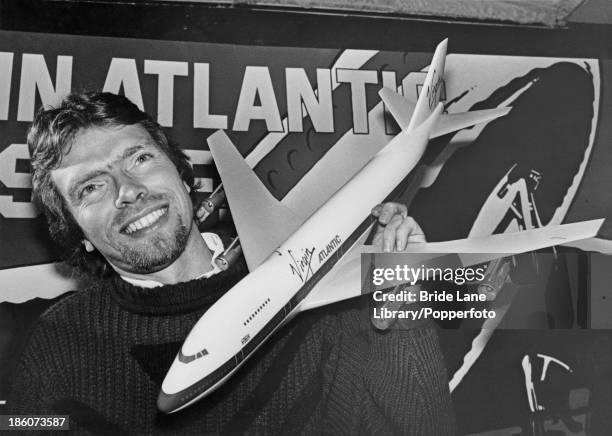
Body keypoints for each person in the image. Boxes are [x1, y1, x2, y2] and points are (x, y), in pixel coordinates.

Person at [9, 91, 455, 434]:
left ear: (183, 176)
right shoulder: (59, 345)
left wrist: (404, 310)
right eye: (91, 188)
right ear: (76, 234)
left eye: (140, 159)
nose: (127, 189)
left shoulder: (314, 291)